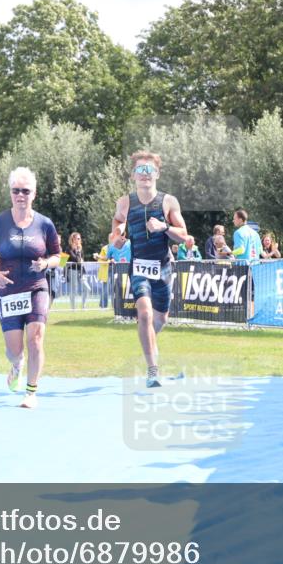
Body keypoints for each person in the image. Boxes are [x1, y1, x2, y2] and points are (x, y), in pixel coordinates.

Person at [0, 167, 61, 408]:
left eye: (26, 191)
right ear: (11, 193)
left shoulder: (45, 224)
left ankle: (31, 392)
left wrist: (46, 262)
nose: (21, 195)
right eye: (16, 191)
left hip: (37, 287)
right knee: (14, 350)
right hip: (10, 291)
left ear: (34, 193)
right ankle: (17, 364)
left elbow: (57, 255)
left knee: (35, 338)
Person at [109, 151, 189, 388]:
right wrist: (118, 237)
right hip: (139, 267)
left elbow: (184, 236)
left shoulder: (168, 201)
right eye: (140, 170)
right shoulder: (125, 202)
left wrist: (163, 226)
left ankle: (151, 345)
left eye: (149, 170)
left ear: (157, 174)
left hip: (163, 268)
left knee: (160, 319)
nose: (145, 175)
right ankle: (152, 370)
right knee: (144, 313)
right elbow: (116, 224)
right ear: (133, 175)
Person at [66, 231, 88, 309]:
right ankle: (73, 308)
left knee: (87, 288)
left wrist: (79, 255)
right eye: (77, 238)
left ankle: (83, 306)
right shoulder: (69, 248)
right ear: (73, 239)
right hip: (72, 270)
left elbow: (82, 260)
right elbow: (75, 259)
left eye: (79, 238)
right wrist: (78, 253)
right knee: (73, 290)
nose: (79, 240)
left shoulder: (80, 248)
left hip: (81, 271)